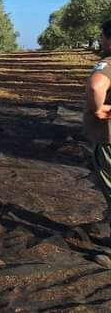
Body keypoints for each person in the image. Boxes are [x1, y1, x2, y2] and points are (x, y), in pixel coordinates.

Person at [84, 20, 111, 231]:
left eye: (102, 36)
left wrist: (98, 109)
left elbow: (95, 86)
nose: (100, 40)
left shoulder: (108, 64)